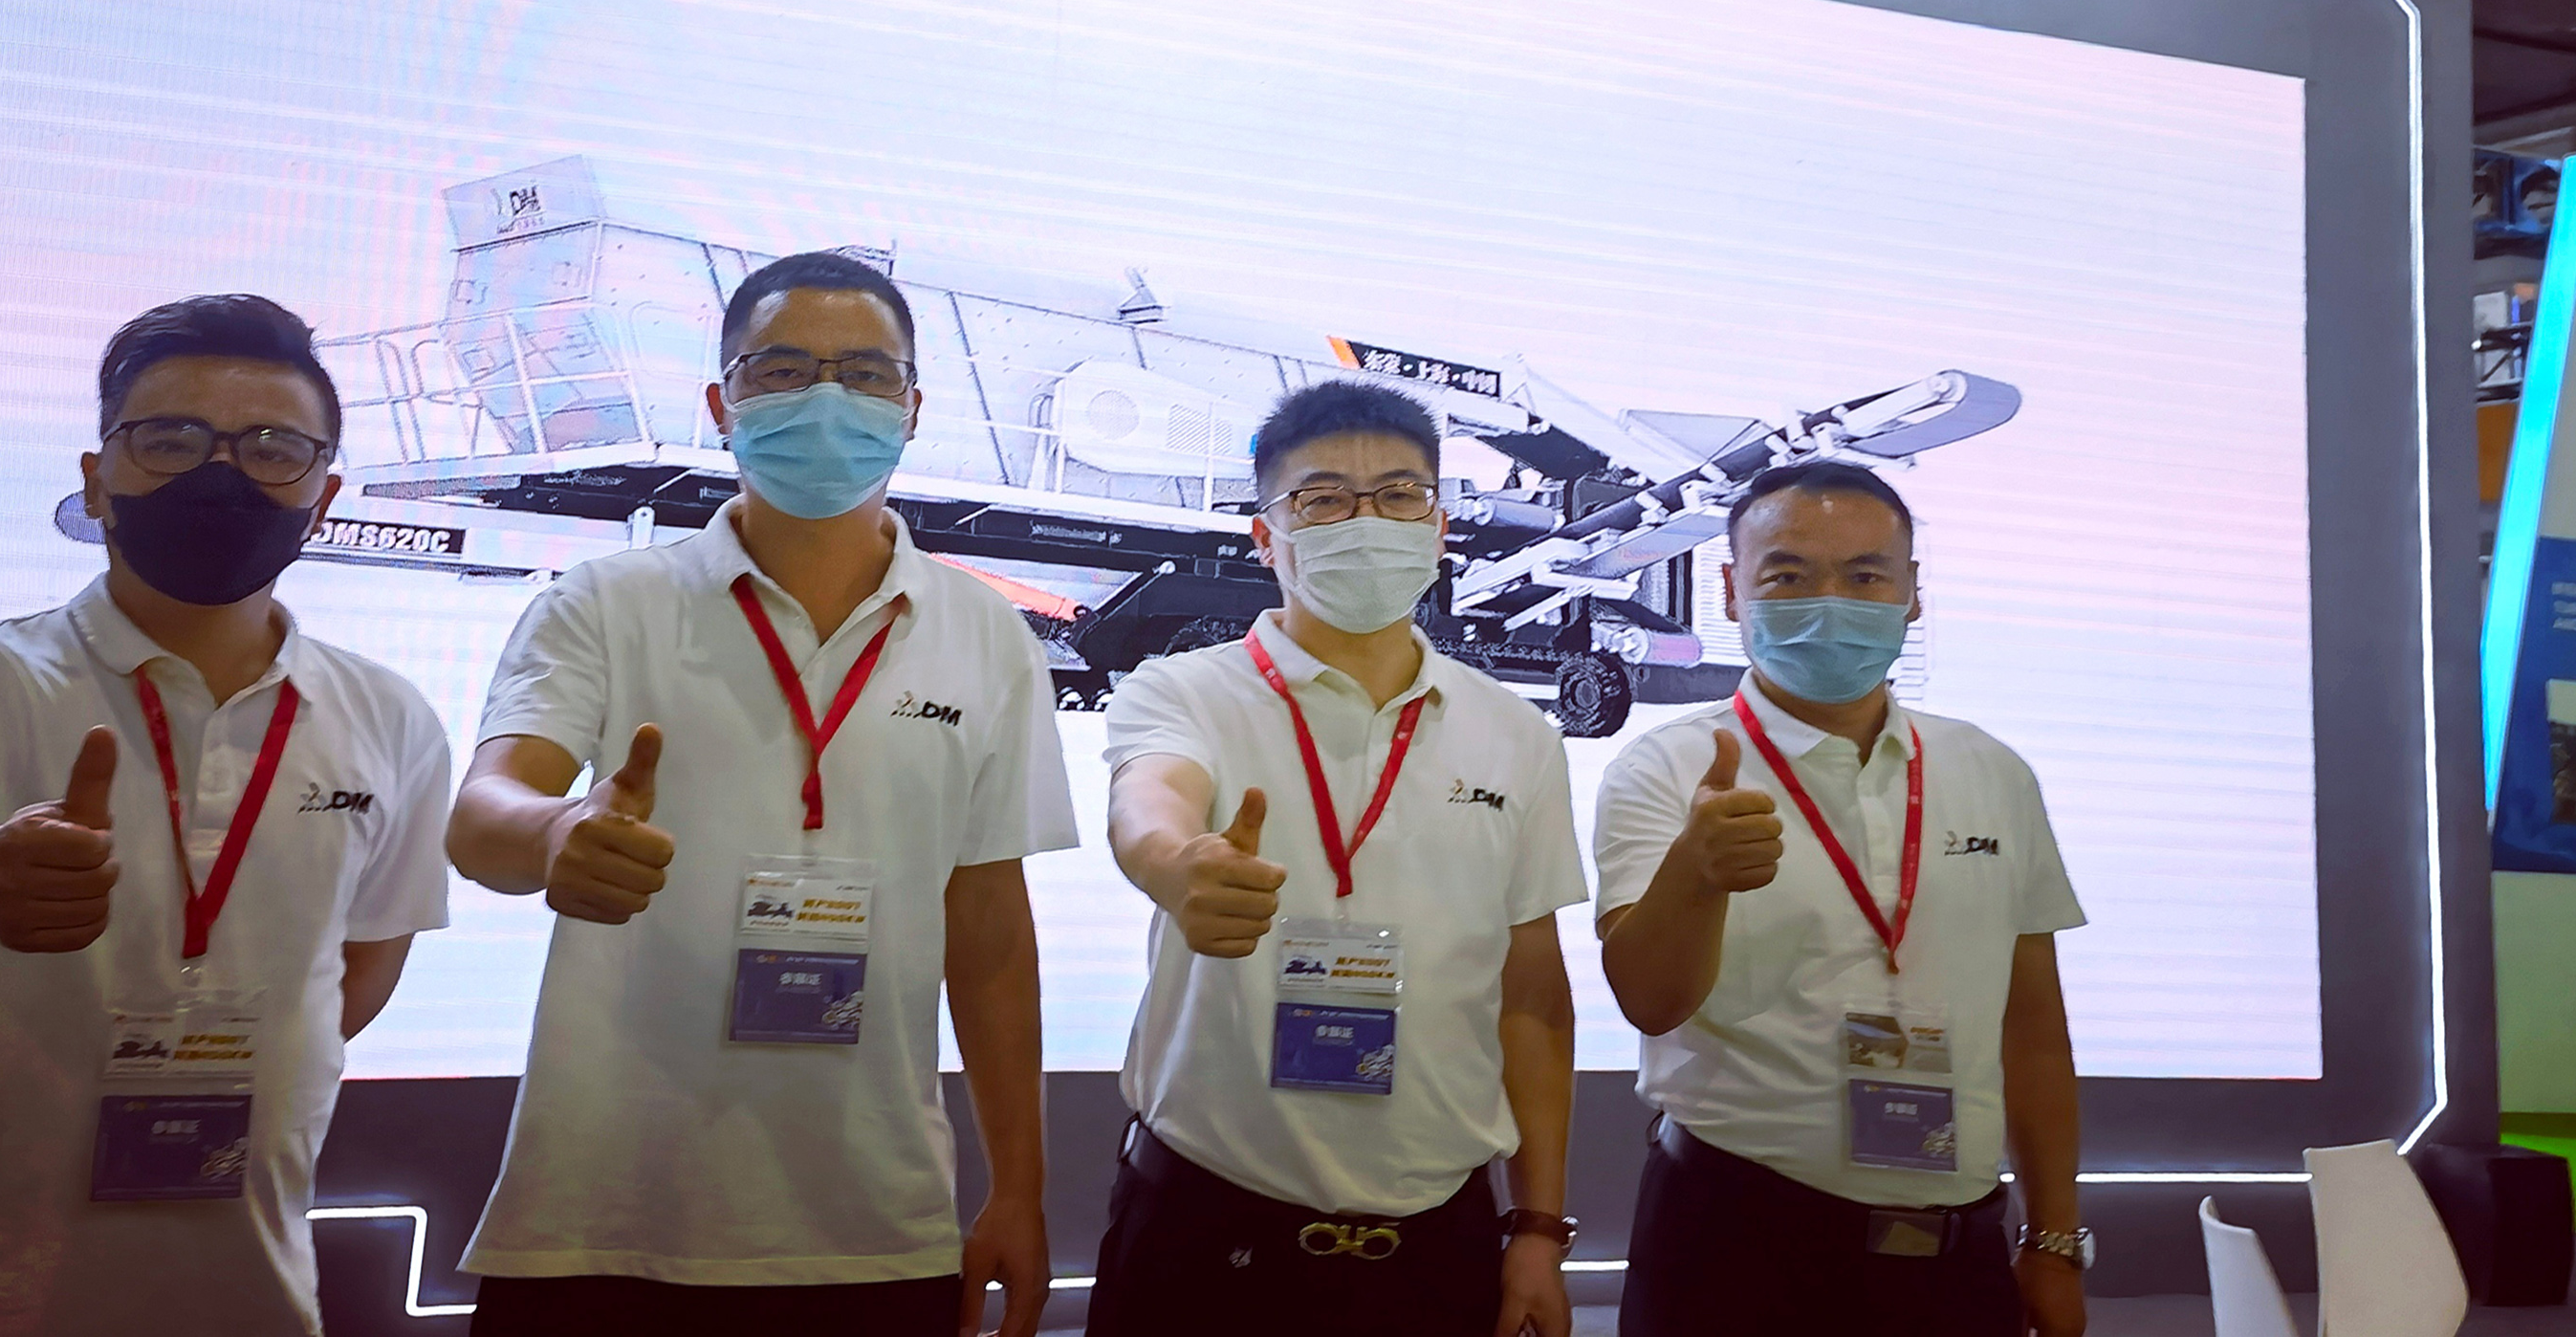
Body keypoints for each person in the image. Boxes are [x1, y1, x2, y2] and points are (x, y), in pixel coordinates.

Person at [0, 295, 454, 1337]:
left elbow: (360, 970)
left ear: (323, 496)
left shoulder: (392, 715)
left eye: (272, 447)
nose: (221, 474)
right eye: (171, 439)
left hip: (243, 1294)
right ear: (98, 477)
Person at [448, 251, 1077, 1337]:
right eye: (783, 370)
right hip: (599, 1223)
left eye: (866, 374)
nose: (827, 399)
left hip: (876, 1226)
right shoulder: (608, 602)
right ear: (722, 403)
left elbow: (987, 933)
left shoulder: (988, 636)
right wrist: (554, 833)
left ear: (913, 407)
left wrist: (1018, 1188)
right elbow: (481, 815)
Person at [1090, 378, 1586, 1337]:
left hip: (1436, 1246)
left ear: (1438, 528)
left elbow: (1531, 996)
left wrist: (1537, 1224)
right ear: (1265, 536)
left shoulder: (1515, 734)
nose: (1365, 521)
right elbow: (1149, 798)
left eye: (1398, 494)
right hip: (1203, 1230)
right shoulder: (1184, 691)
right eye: (1322, 499)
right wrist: (1175, 864)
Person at [1593, 460, 2089, 1337]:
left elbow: (2033, 1025)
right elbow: (1650, 1001)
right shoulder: (1667, 767)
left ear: (1912, 592)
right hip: (1734, 1240)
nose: (1830, 602)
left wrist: (2052, 1238)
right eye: (1788, 576)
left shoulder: (1990, 771)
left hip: (1954, 1253)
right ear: (1732, 592)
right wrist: (1695, 876)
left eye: (1865, 576)